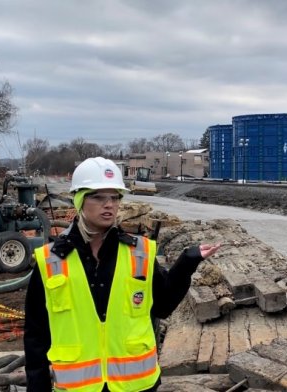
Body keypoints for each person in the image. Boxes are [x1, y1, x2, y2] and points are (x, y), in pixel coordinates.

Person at [24, 157, 221, 391]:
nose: (109, 204)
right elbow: (36, 335)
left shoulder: (139, 253)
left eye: (115, 197)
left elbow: (163, 306)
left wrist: (186, 263)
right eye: (98, 197)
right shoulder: (51, 261)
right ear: (78, 200)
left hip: (136, 385)